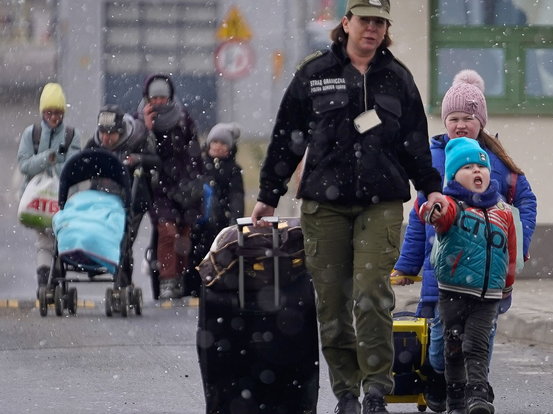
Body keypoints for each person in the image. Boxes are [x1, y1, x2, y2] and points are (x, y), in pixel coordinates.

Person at [248, 1, 446, 413]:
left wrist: (432, 190)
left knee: (372, 295)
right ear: (346, 23)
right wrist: (269, 194)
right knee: (332, 305)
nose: (371, 29)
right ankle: (345, 395)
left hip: (383, 203)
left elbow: (414, 145)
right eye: (364, 20)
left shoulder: (398, 79)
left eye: (379, 22)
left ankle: (376, 390)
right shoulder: (314, 73)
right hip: (325, 206)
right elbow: (288, 137)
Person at [390, 69, 537, 412]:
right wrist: (407, 264)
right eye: (453, 118)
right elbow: (418, 217)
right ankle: (441, 381)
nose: (460, 124)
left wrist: (518, 244)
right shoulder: (433, 159)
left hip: (489, 275)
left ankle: (475, 392)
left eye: (468, 118)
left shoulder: (495, 162)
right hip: (442, 273)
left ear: (480, 121)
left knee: (479, 340)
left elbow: (525, 202)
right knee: (443, 341)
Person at [416, 137, 518, 414]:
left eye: (481, 167)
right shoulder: (452, 206)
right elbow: (433, 212)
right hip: (453, 292)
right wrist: (430, 209)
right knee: (453, 344)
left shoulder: (503, 212)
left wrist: (507, 286)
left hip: (489, 296)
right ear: (453, 176)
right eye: (468, 167)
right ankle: (457, 397)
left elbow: (509, 252)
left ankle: (478, 396)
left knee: (476, 344)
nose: (477, 172)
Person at [137, 74, 203, 300]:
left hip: (184, 186)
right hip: (158, 186)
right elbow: (140, 150)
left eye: (162, 98)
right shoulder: (138, 121)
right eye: (154, 98)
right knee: (167, 231)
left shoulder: (184, 119)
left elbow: (194, 153)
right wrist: (146, 128)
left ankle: (180, 277)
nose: (158, 103)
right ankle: (167, 279)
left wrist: (196, 181)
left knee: (184, 234)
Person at [17, 82, 82, 291]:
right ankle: (45, 282)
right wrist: (47, 158)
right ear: (43, 112)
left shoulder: (72, 136)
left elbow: (74, 169)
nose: (54, 117)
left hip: (63, 198)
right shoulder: (32, 134)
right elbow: (25, 165)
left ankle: (55, 278)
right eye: (49, 113)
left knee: (58, 240)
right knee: (44, 241)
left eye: (58, 113)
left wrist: (59, 163)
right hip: (38, 199)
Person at [86, 104, 160, 283]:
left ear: (121, 131)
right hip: (103, 198)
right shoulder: (96, 143)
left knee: (124, 240)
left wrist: (138, 159)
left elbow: (156, 161)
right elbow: (83, 159)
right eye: (103, 133)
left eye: (111, 134)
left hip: (133, 200)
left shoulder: (137, 139)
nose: (106, 138)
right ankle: (100, 261)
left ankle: (123, 279)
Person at [183, 122, 244, 297]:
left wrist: (234, 218)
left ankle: (213, 285)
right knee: (194, 253)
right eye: (215, 142)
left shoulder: (233, 170)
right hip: (198, 218)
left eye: (223, 143)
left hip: (220, 222)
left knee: (217, 253)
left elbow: (236, 197)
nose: (218, 147)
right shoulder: (199, 165)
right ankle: (191, 286)